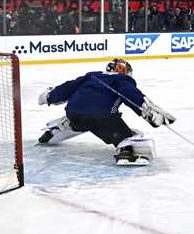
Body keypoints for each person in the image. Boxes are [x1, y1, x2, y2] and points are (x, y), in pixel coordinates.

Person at [37, 58, 176, 165]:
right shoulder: (123, 79)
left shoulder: (91, 76)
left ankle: (56, 130)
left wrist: (50, 96)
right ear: (125, 71)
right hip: (101, 117)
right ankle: (126, 150)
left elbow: (68, 87)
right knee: (128, 135)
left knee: (80, 120)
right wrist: (148, 112)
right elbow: (129, 94)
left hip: (73, 113)